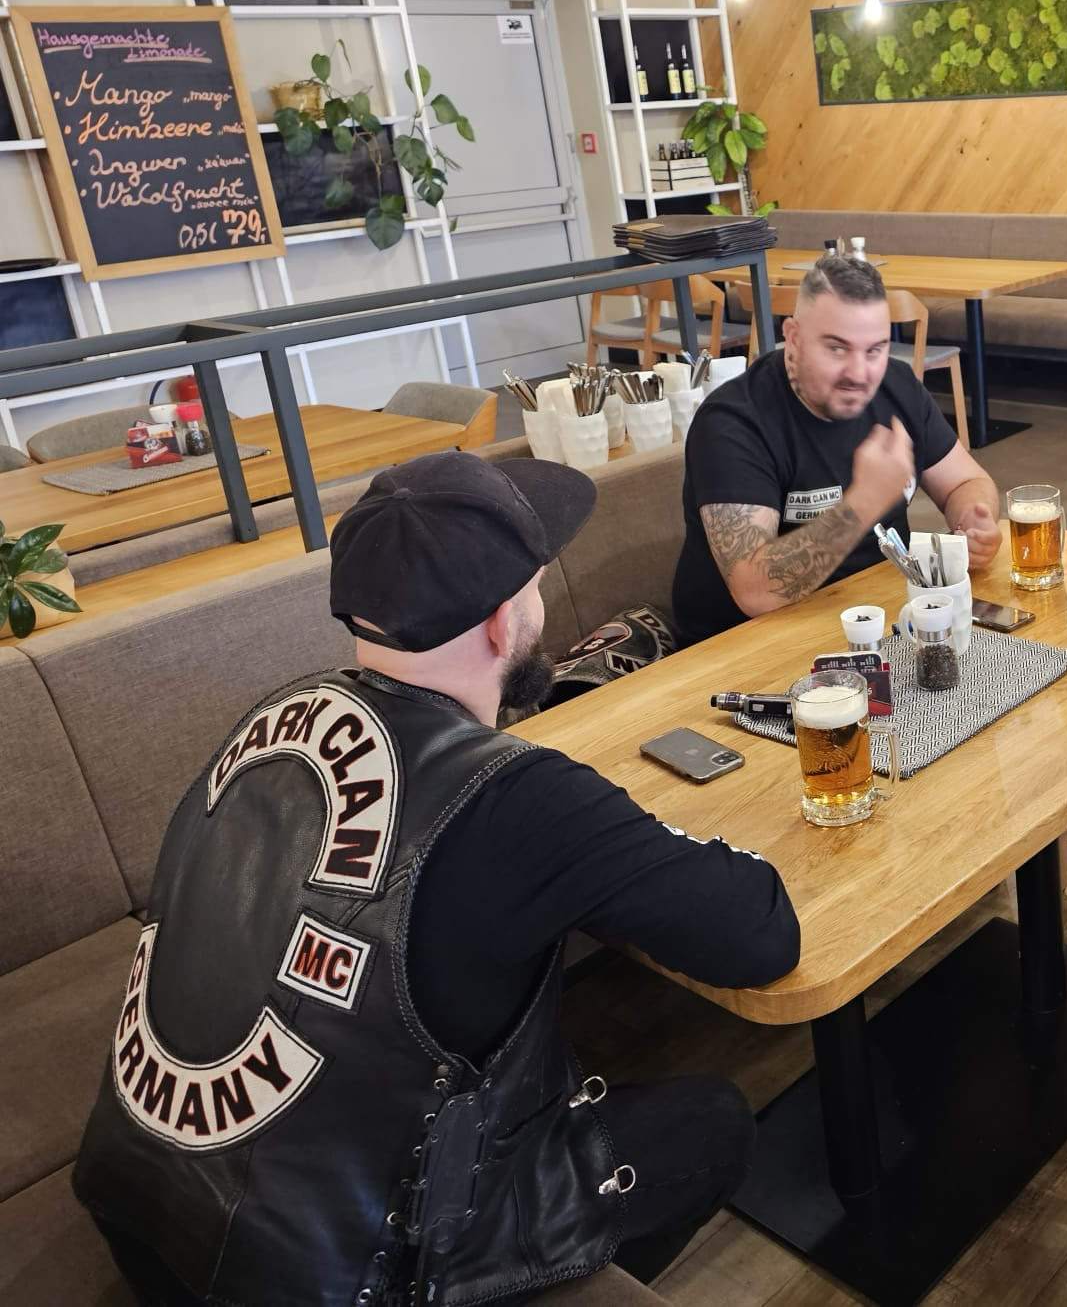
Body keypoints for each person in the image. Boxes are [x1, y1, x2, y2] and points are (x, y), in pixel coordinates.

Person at [73, 451, 800, 1306]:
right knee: (711, 1123)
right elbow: (761, 934)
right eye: (535, 589)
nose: (540, 607)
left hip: (140, 1220)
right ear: (500, 624)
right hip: (339, 1276)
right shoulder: (520, 798)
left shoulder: (267, 721)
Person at [671, 255, 1003, 646]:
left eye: (874, 350)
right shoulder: (732, 423)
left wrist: (973, 521)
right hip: (745, 646)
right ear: (794, 337)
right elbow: (755, 591)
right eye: (837, 349)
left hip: (876, 619)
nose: (859, 374)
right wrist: (864, 502)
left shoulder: (897, 386)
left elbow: (965, 481)